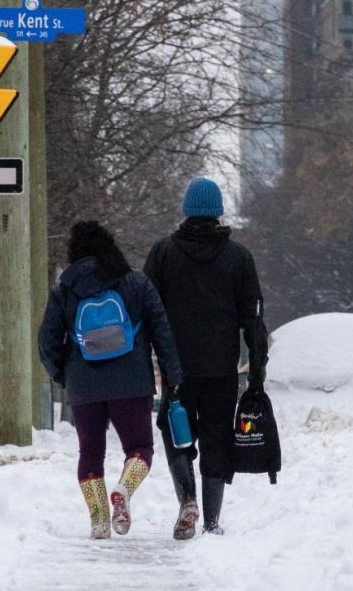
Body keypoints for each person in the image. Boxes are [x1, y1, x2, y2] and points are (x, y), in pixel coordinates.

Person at [39, 221, 183, 540]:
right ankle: (123, 490)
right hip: (132, 381)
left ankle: (100, 521)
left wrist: (65, 375)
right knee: (140, 447)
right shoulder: (135, 282)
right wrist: (173, 375)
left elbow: (47, 341)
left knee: (90, 453)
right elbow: (161, 330)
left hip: (83, 384)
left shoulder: (64, 289)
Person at [144, 177, 268, 539]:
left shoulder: (163, 253)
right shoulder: (239, 258)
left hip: (176, 369)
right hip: (221, 370)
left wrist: (149, 357)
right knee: (217, 437)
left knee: (176, 433)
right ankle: (212, 520)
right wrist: (257, 370)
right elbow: (253, 320)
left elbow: (146, 309)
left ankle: (188, 502)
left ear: (186, 210)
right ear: (218, 212)